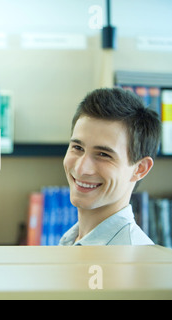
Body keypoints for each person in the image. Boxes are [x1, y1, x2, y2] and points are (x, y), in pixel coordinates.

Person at [59, 87, 161, 246]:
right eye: (78, 148)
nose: (81, 169)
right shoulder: (69, 240)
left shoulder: (134, 262)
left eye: (103, 155)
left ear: (140, 168)